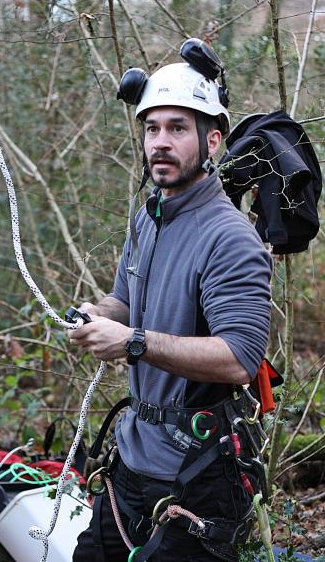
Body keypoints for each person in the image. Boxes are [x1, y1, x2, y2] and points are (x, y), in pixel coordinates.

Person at [70, 43, 272, 562]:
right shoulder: (148, 218)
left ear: (212, 140)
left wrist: (133, 343)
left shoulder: (229, 238)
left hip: (198, 474)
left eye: (177, 128)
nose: (160, 142)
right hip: (131, 463)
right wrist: (100, 316)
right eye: (151, 128)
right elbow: (124, 301)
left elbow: (239, 359)